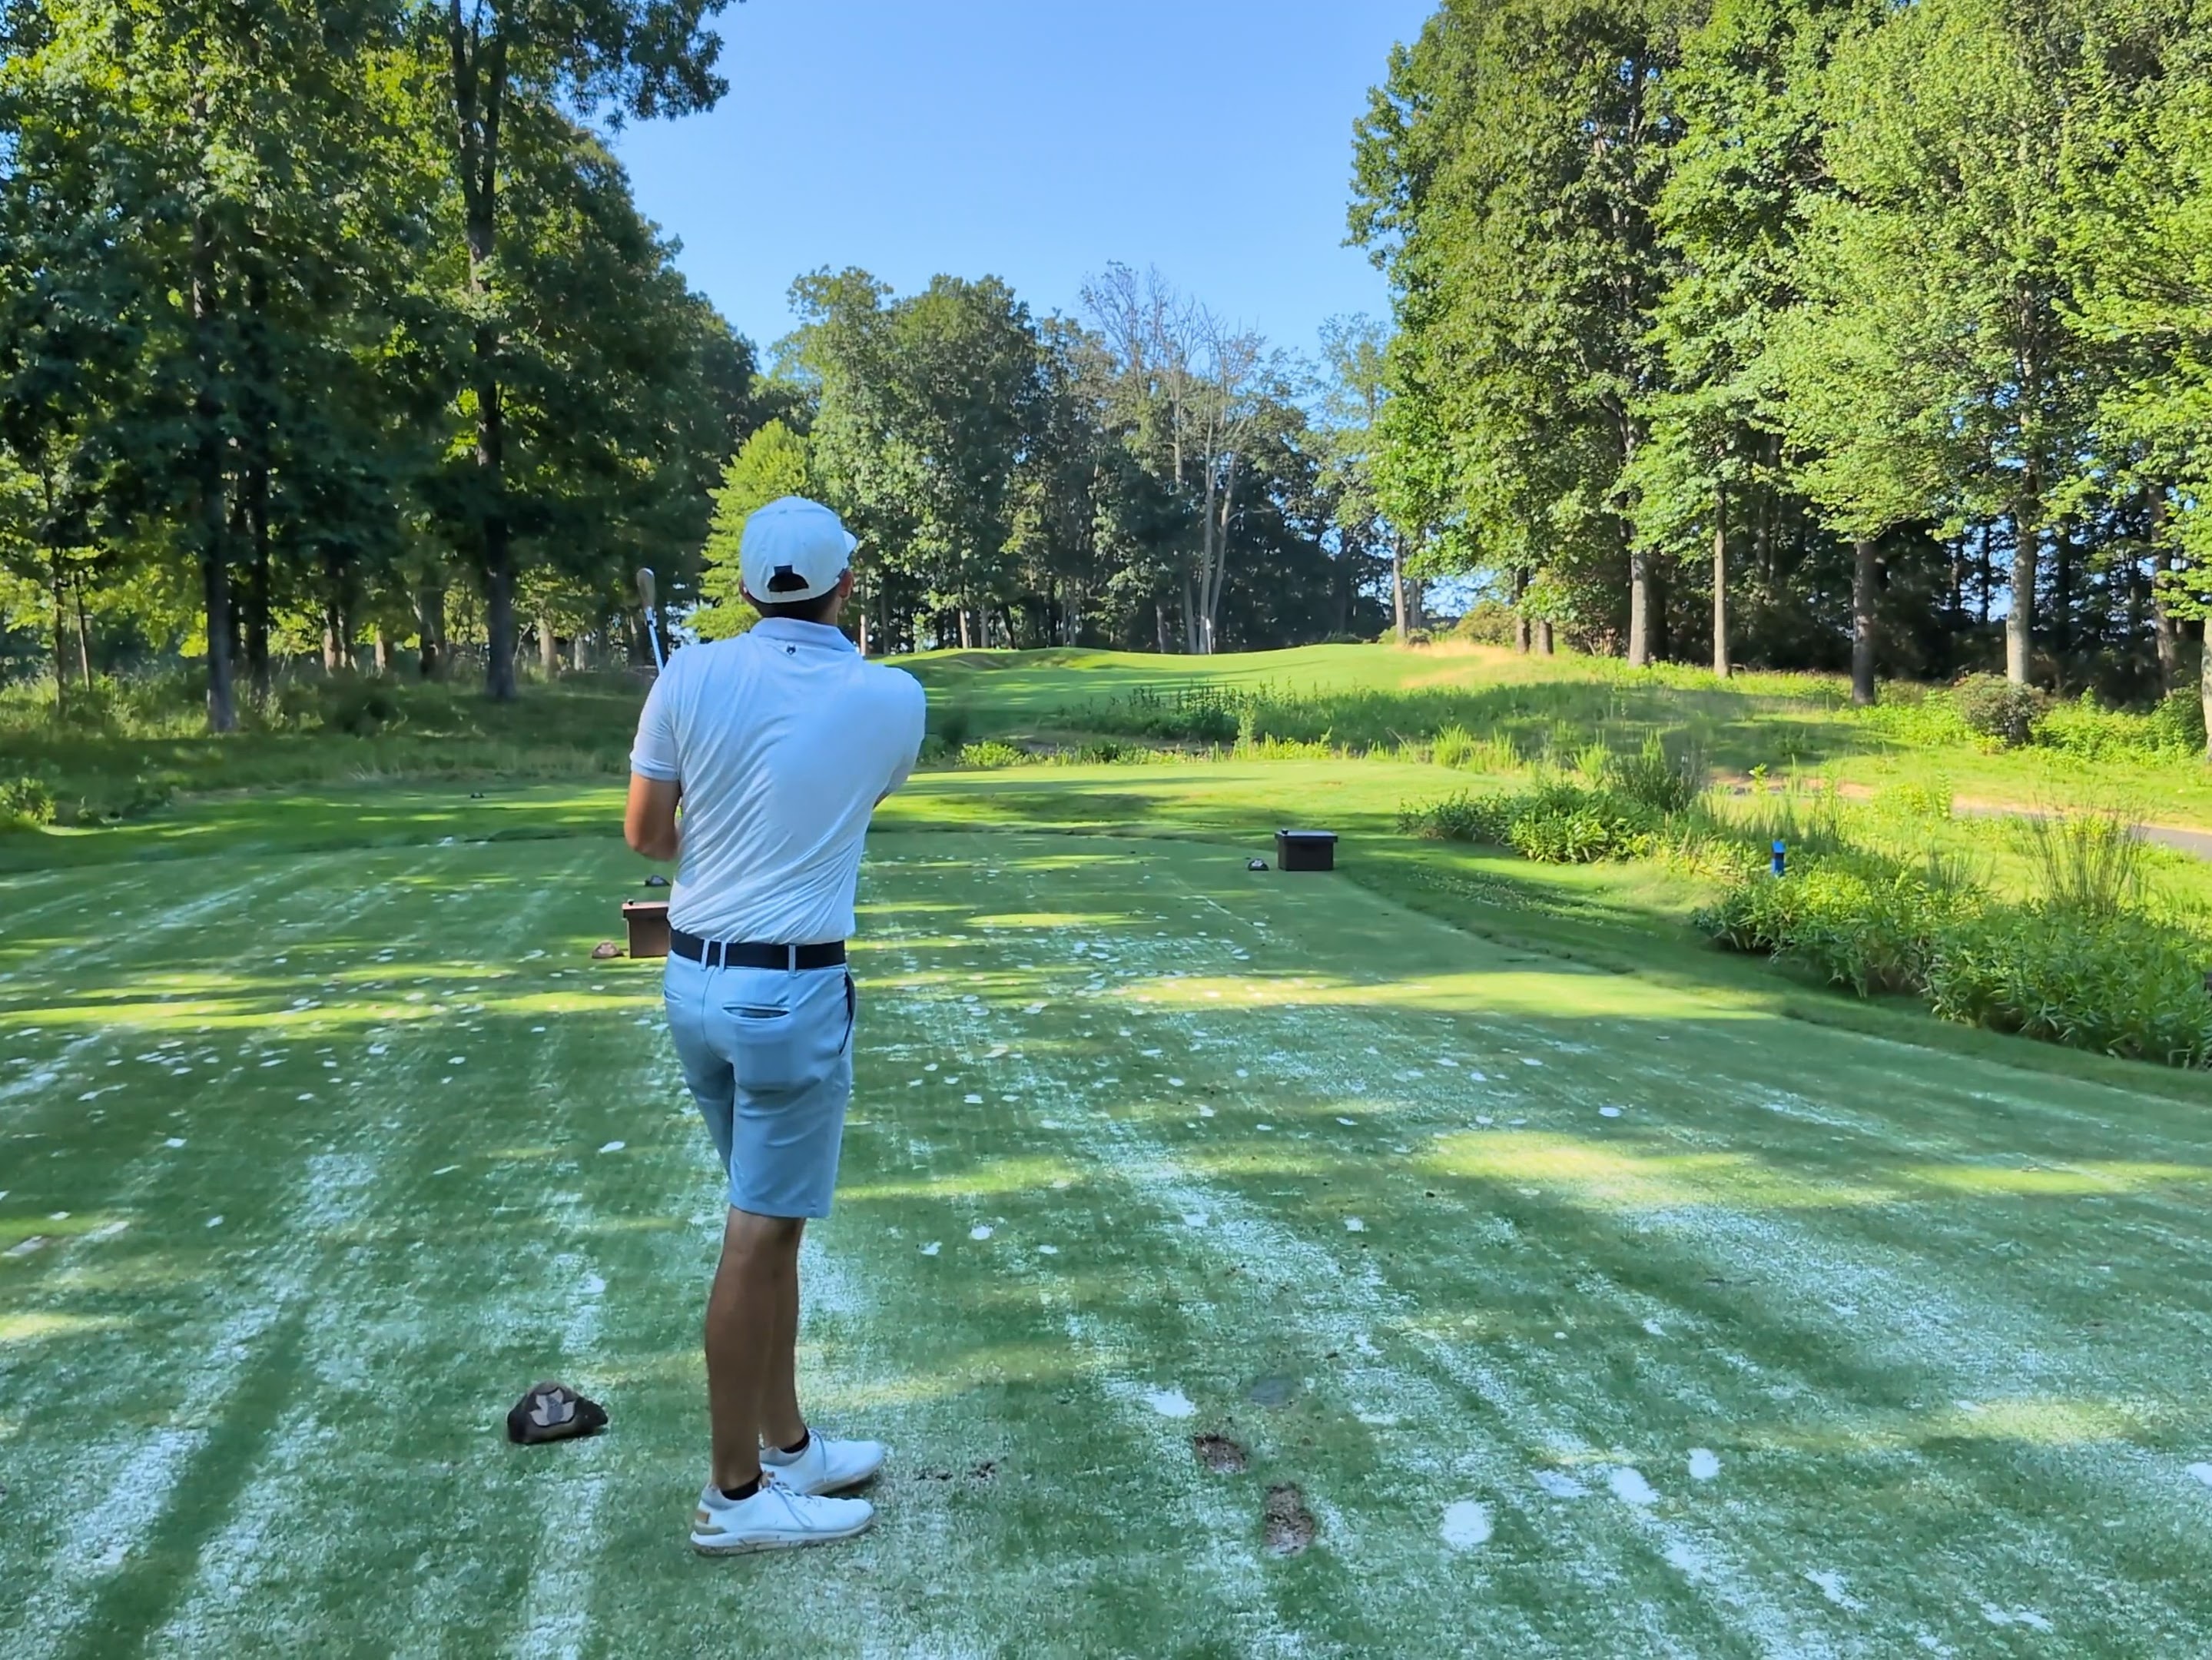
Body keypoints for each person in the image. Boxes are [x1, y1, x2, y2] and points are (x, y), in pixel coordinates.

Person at [624, 496, 926, 1555]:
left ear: (749, 587)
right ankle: (735, 1496)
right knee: (757, 1238)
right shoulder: (892, 696)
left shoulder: (689, 673)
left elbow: (647, 838)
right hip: (790, 994)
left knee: (773, 1225)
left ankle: (788, 1442)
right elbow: (849, 801)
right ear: (848, 584)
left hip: (694, 987)